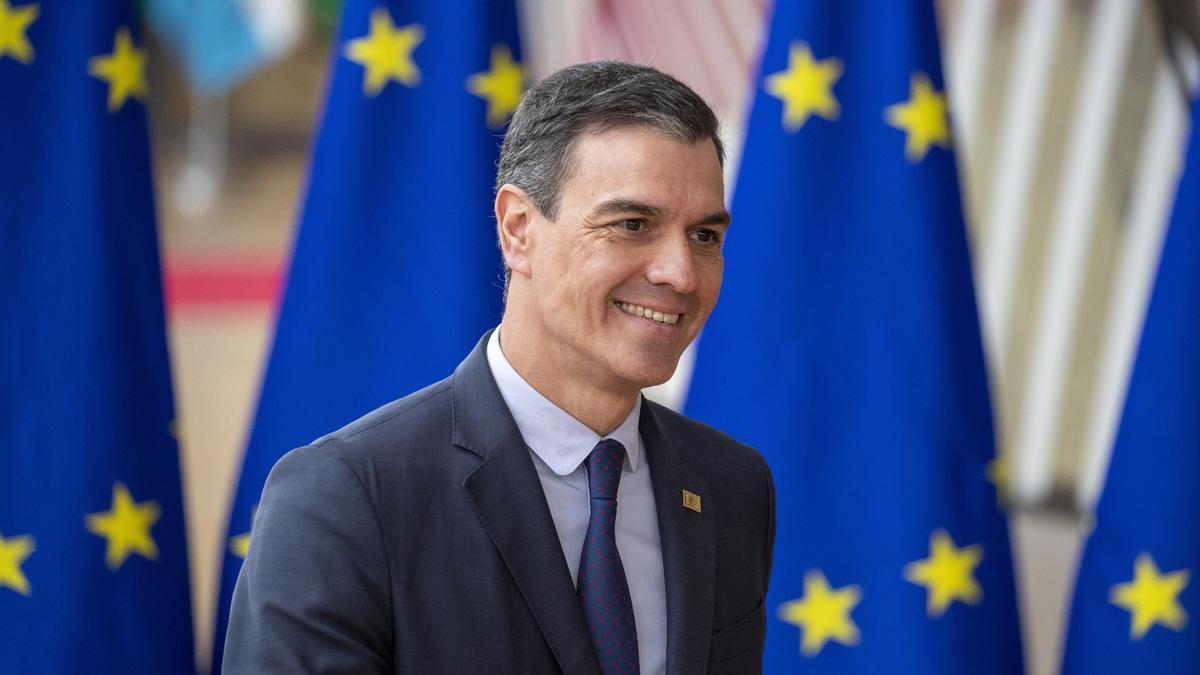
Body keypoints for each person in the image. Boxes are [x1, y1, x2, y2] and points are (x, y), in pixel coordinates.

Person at [223, 61, 775, 674]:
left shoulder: (731, 486)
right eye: (632, 225)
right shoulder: (346, 501)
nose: (680, 272)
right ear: (517, 229)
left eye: (704, 235)